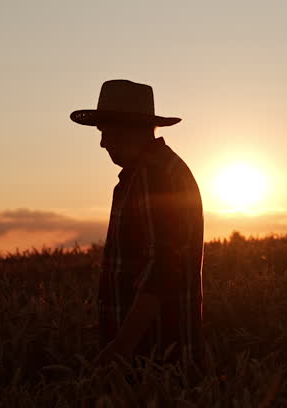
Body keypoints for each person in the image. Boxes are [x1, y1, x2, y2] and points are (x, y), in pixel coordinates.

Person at [71, 79, 204, 368]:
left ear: (132, 129)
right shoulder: (152, 172)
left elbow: (162, 268)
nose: (103, 142)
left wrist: (121, 347)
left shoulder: (152, 175)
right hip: (155, 353)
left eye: (107, 131)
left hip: (152, 356)